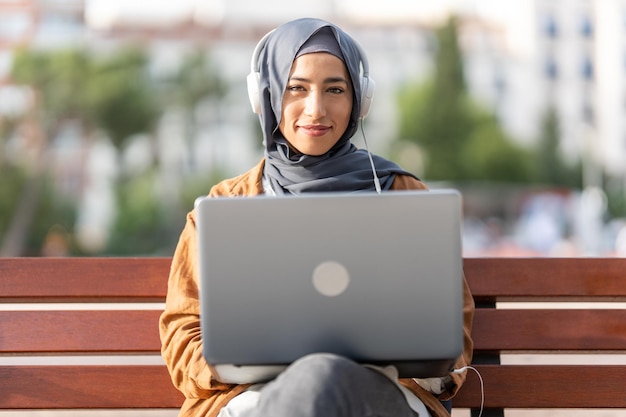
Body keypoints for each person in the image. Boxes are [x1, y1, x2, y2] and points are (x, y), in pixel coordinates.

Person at [159, 17, 475, 417]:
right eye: (297, 88)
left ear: (360, 99)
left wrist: (418, 363)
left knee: (324, 382)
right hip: (257, 400)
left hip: (381, 397)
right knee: (311, 386)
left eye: (335, 89)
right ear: (266, 94)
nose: (316, 109)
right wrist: (263, 367)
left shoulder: (402, 195)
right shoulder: (226, 204)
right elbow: (182, 337)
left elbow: (451, 328)